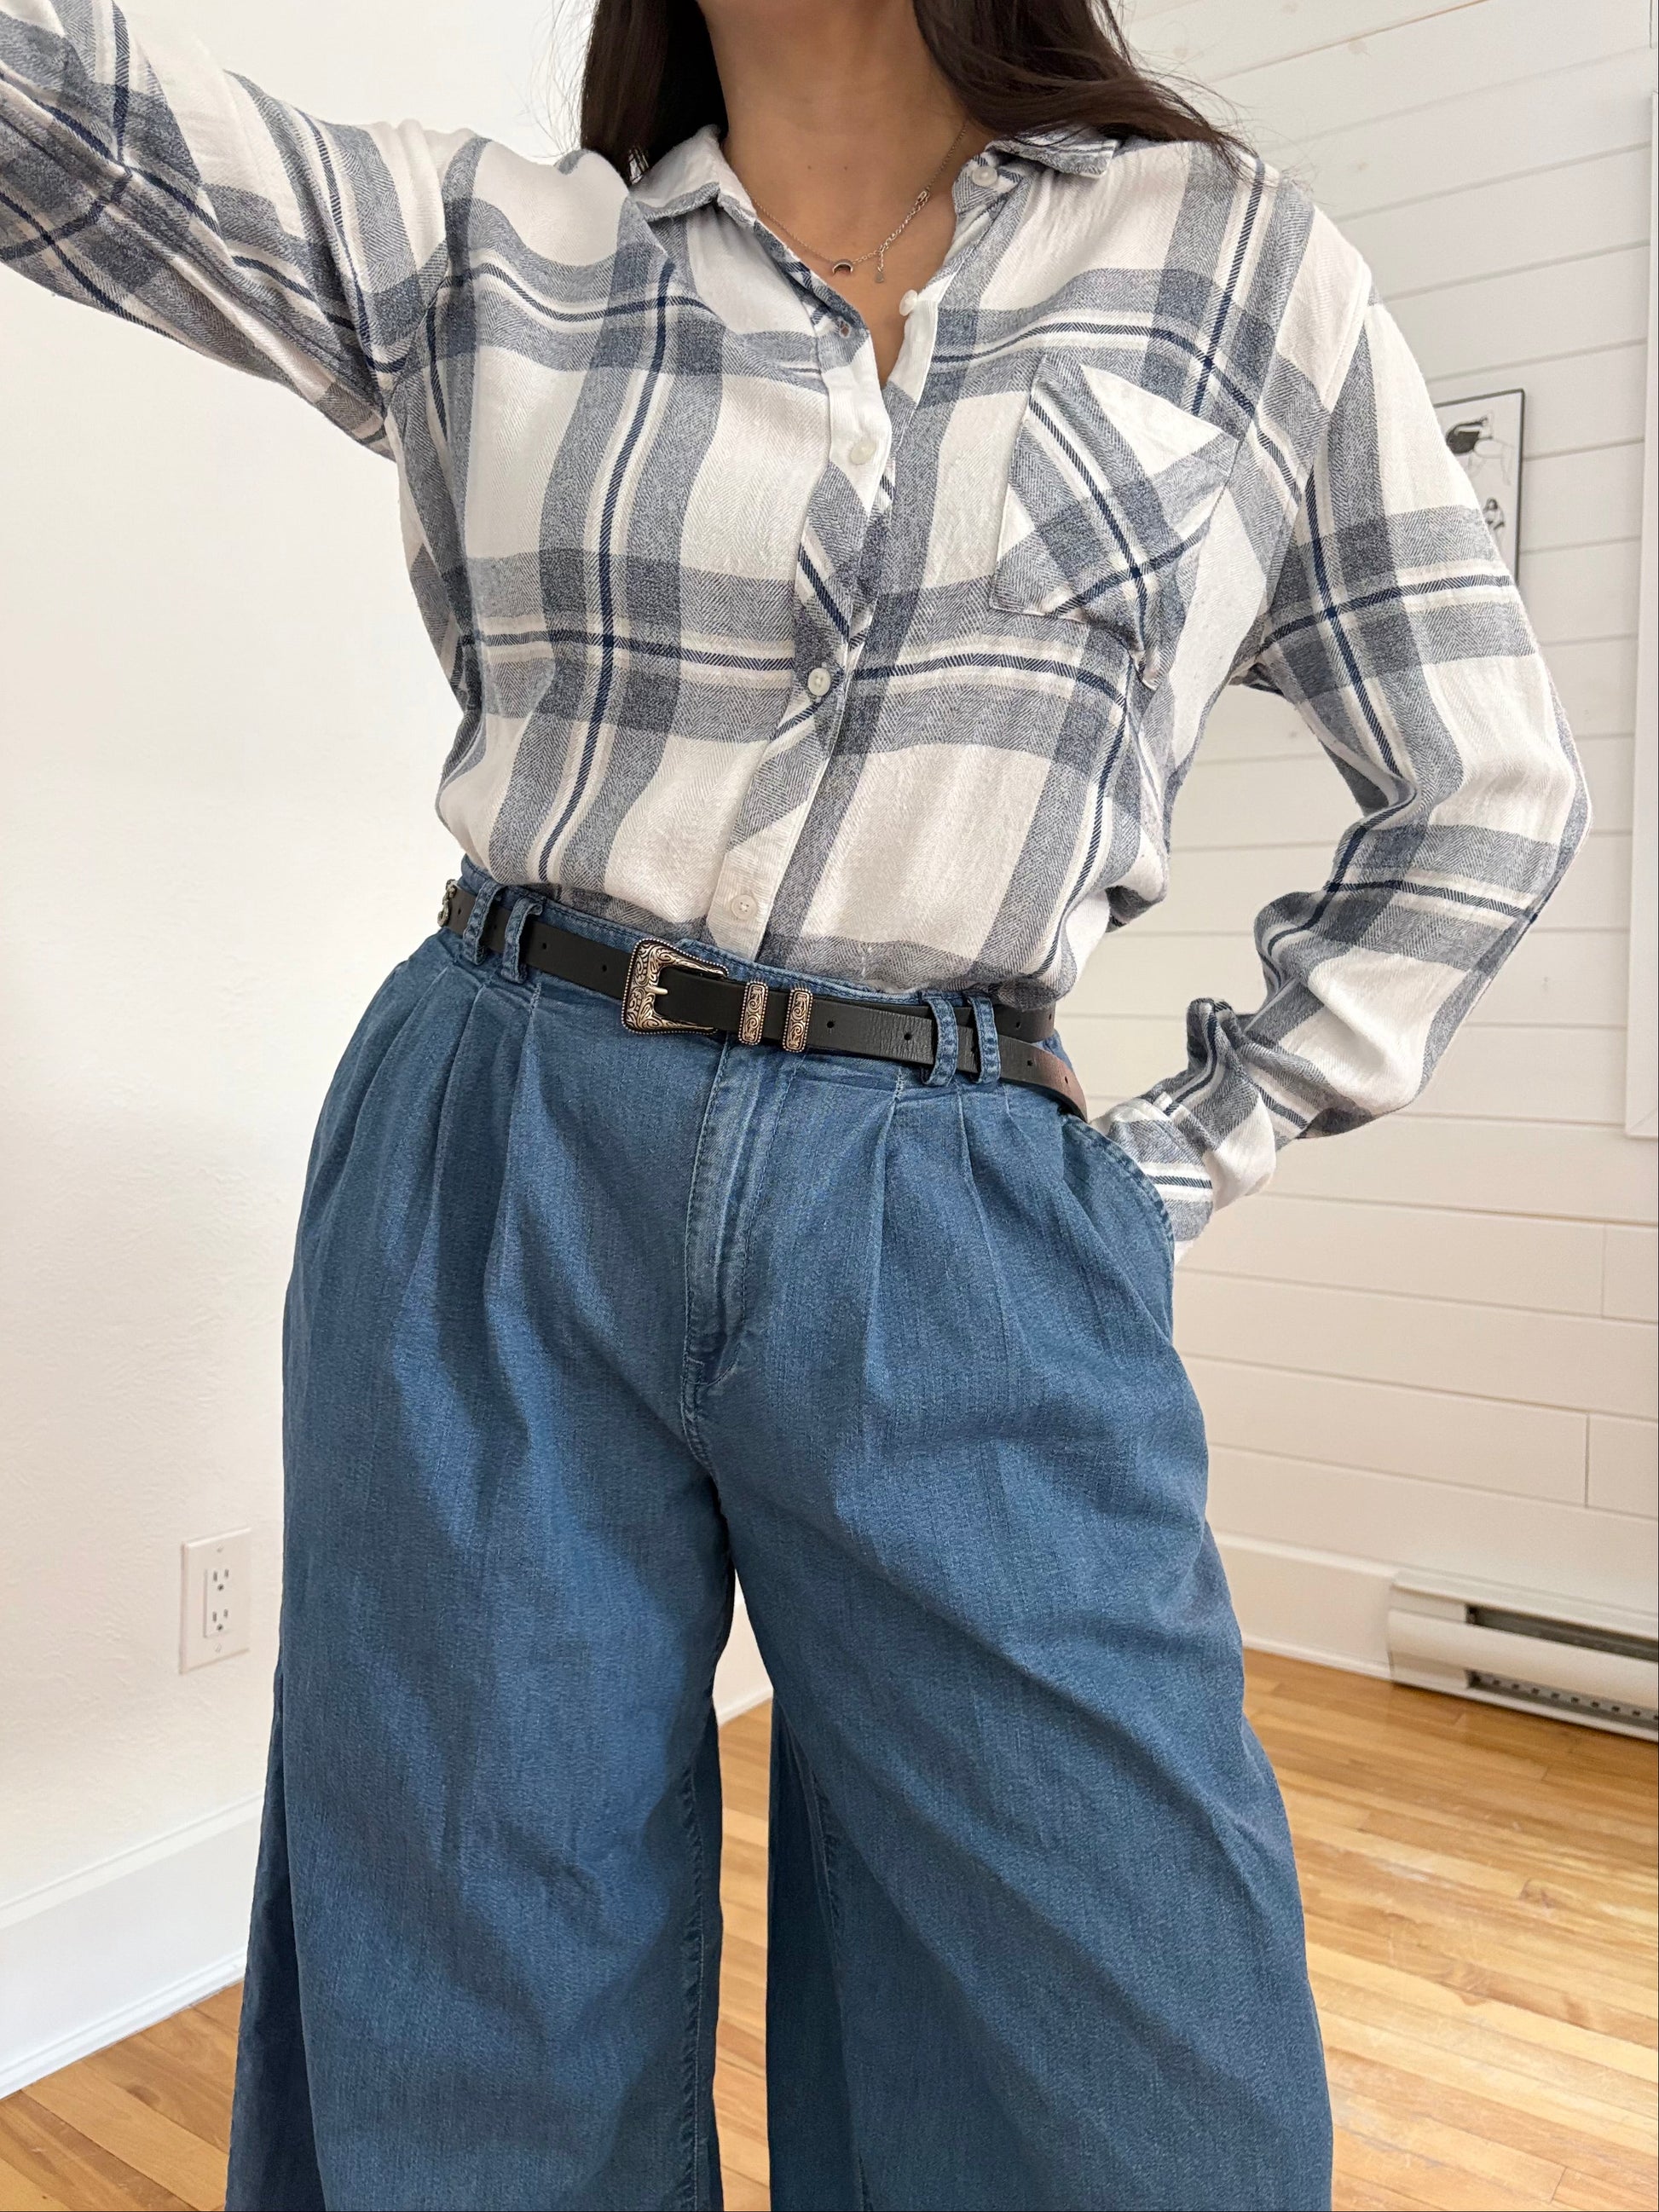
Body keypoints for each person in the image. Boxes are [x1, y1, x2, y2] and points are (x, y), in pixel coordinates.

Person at [0, 1, 1588, 2206]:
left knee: (1131, 2050)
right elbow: (56, 110)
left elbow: (1487, 786)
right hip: (496, 1136)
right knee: (470, 1970)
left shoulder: (1235, 262)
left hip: (953, 1186)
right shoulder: (498, 244)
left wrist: (1167, 1163)